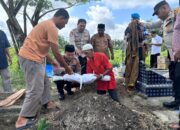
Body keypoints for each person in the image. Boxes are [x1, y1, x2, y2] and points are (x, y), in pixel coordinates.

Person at [15, 8, 73, 129]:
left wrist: (52, 62)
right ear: (61, 18)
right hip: (31, 58)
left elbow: (42, 47)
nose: (64, 25)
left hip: (36, 58)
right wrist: (67, 68)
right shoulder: (52, 27)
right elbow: (56, 51)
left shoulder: (45, 24)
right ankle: (23, 119)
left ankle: (47, 102)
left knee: (45, 82)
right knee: (35, 89)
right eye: (65, 23)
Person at [144, 0, 180, 109]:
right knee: (174, 76)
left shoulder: (176, 13)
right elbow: (152, 24)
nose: (158, 16)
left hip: (178, 52)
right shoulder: (164, 20)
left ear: (164, 8)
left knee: (178, 76)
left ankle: (177, 101)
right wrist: (141, 24)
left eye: (158, 13)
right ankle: (177, 100)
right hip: (172, 53)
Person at [125, 13, 146, 91]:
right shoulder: (141, 26)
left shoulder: (129, 26)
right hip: (137, 49)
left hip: (132, 49)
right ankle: (132, 84)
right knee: (136, 66)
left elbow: (126, 37)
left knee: (130, 65)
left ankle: (128, 82)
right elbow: (143, 38)